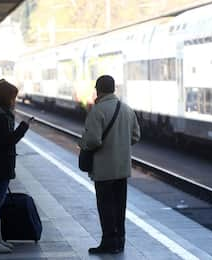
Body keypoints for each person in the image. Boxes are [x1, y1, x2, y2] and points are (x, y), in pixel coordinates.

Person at [79, 75, 140, 254]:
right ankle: (120, 242)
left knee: (106, 207)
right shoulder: (127, 109)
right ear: (113, 89)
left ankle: (108, 243)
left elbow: (93, 141)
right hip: (122, 168)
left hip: (104, 169)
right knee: (120, 206)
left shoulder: (97, 111)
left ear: (98, 90)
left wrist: (82, 143)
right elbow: (136, 136)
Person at [0, 79, 30, 254]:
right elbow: (6, 141)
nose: (14, 101)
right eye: (12, 97)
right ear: (5, 97)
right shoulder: (0, 116)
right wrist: (23, 128)